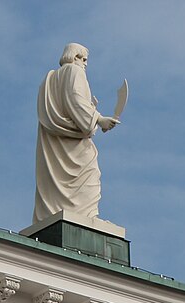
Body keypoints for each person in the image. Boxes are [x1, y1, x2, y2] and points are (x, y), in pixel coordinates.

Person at [33, 43, 119, 225]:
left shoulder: (47, 81)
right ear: (74, 57)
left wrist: (91, 110)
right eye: (84, 59)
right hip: (74, 143)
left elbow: (64, 106)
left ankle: (57, 213)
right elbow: (75, 99)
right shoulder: (74, 71)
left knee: (56, 180)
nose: (85, 64)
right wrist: (98, 118)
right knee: (90, 173)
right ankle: (88, 217)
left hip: (55, 143)